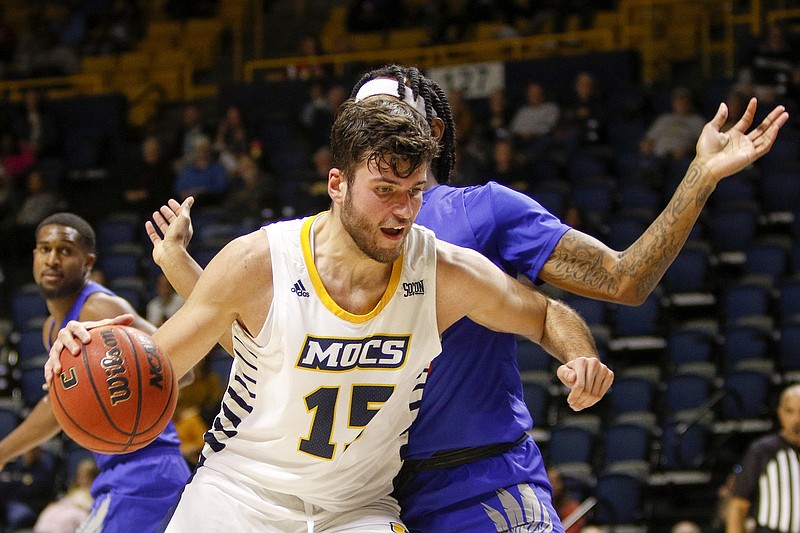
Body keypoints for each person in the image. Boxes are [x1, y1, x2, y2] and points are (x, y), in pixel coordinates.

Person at [47, 96, 613, 531]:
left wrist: (580, 355)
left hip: (357, 509)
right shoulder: (257, 263)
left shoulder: (442, 273)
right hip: (238, 496)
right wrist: (89, 352)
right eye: (385, 189)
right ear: (336, 184)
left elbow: (542, 314)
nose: (403, 211)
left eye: (414, 191)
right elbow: (160, 366)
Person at [347, 64, 788, 532]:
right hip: (373, 497)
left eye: (391, 117)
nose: (378, 134)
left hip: (485, 483)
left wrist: (700, 176)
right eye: (364, 121)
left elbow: (624, 279)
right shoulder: (325, 238)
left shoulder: (483, 211)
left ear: (434, 132)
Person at [0, 212, 191, 533]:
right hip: (127, 475)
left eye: (65, 250)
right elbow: (58, 406)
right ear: (33, 256)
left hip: (145, 473)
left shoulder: (97, 309)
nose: (52, 259)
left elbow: (182, 371)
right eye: (44, 249)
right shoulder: (52, 328)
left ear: (88, 262)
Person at [727, 383, 800, 533]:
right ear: (780, 414)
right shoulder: (762, 451)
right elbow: (738, 506)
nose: (797, 420)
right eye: (790, 411)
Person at [0, 446, 56, 531]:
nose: (29, 453)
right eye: (27, 450)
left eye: (33, 450)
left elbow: (36, 491)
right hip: (6, 501)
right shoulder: (12, 465)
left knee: (18, 516)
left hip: (26, 504)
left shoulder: (43, 470)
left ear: (39, 451)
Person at [549, 466, 585, 533]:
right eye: (550, 481)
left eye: (556, 481)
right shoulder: (539, 506)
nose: (553, 486)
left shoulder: (572, 507)